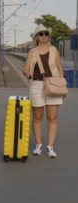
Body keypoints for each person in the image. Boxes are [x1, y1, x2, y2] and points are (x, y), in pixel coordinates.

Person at [23, 24, 65, 158]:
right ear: (37, 37)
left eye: (46, 33)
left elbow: (59, 68)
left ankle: (50, 148)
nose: (44, 36)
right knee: (37, 118)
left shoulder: (54, 50)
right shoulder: (32, 52)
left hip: (53, 85)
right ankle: (38, 145)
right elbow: (26, 67)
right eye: (41, 34)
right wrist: (27, 73)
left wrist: (62, 86)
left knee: (52, 118)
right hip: (36, 86)